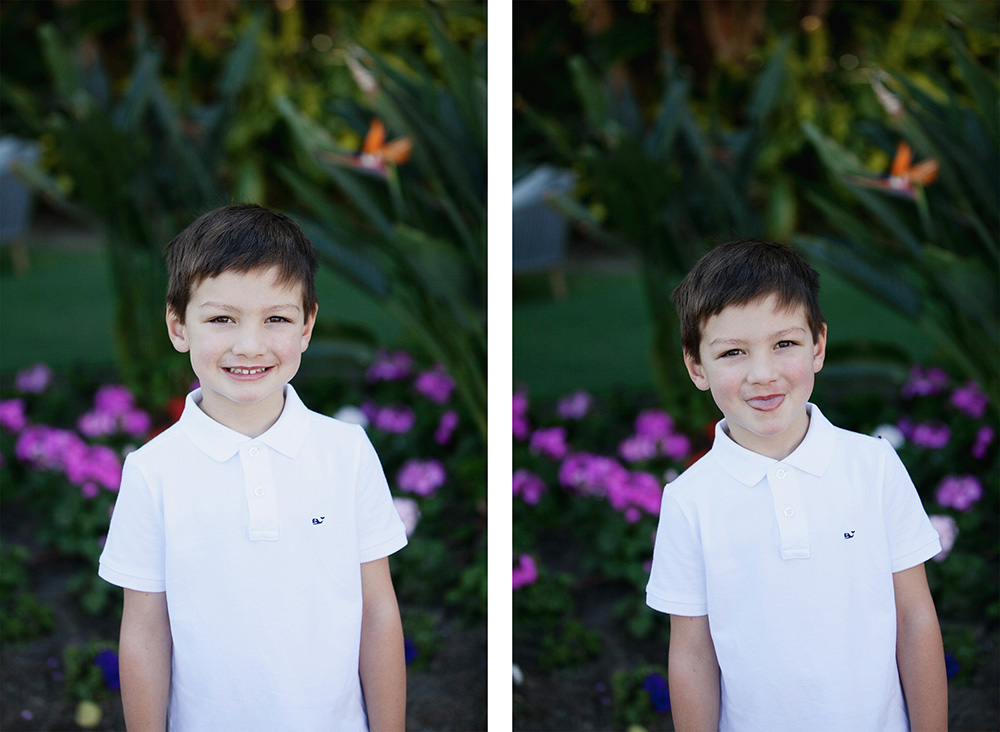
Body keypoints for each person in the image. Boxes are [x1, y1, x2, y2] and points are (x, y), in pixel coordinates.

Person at [99, 204, 408, 732]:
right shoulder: (153, 471)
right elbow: (145, 632)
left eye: (277, 319)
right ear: (178, 326)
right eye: (221, 319)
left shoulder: (346, 451)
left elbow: (377, 613)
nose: (250, 346)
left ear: (307, 326)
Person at [646, 239, 947, 731]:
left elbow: (914, 620)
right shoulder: (689, 501)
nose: (762, 375)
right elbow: (692, 655)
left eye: (784, 344)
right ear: (696, 366)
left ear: (819, 346)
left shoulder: (872, 466)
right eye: (733, 352)